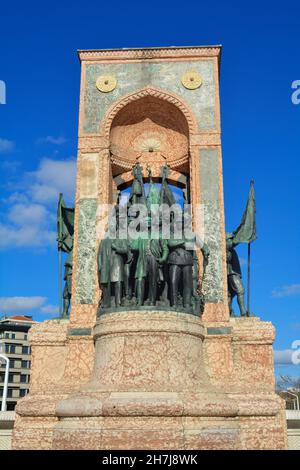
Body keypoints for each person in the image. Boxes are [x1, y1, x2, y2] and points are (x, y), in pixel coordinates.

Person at [226, 232, 247, 317]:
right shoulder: (227, 248)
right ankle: (243, 312)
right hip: (232, 273)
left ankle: (229, 312)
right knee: (240, 290)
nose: (232, 240)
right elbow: (233, 242)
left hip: (234, 273)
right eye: (230, 239)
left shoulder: (230, 249)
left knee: (230, 294)